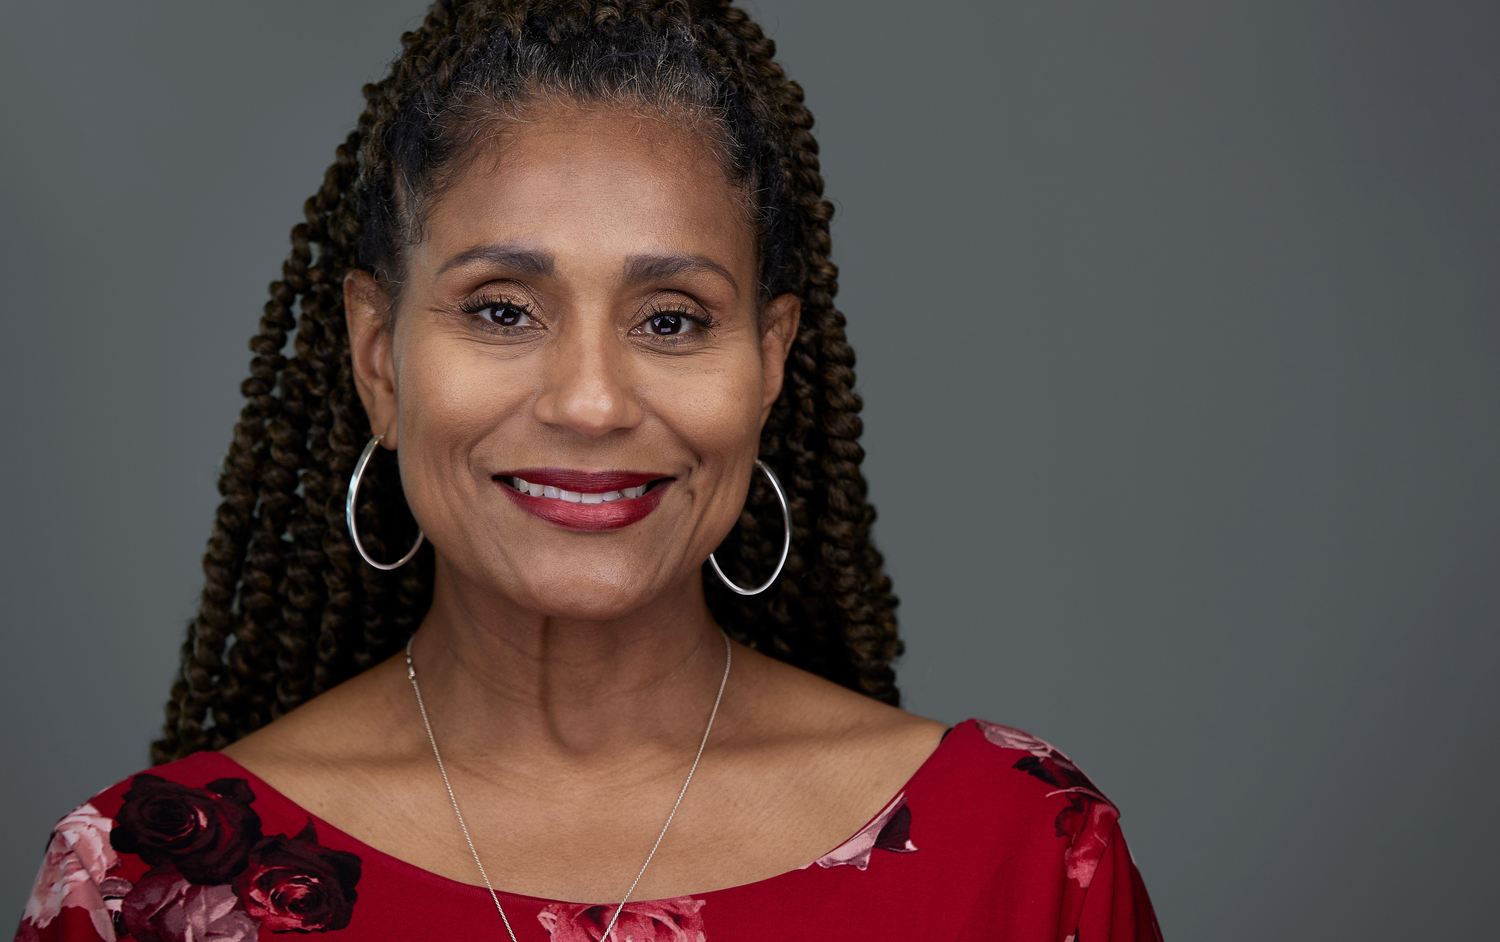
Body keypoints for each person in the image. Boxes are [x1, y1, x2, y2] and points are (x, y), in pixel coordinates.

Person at [16, 2, 1162, 940]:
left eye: (671, 319)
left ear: (769, 362)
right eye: (501, 309)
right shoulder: (135, 890)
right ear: (378, 359)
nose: (592, 401)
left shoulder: (1024, 858)